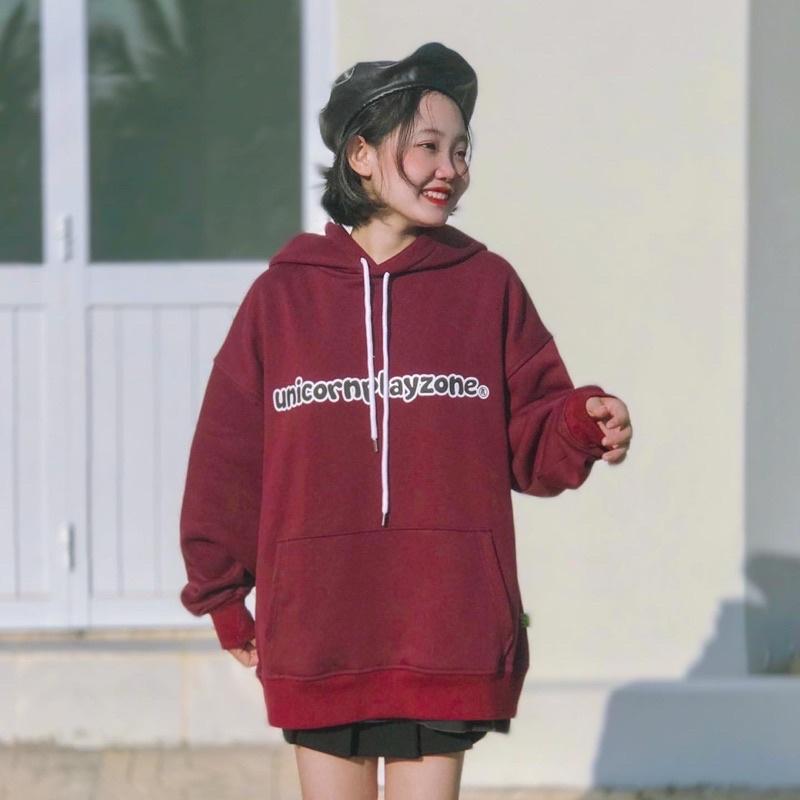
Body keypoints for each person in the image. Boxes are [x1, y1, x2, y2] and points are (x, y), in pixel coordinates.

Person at [178, 41, 632, 800]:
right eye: (427, 146)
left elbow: (531, 433)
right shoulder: (281, 300)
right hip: (322, 629)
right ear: (360, 155)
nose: (450, 168)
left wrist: (580, 424)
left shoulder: (486, 286)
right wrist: (221, 595)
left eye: (461, 150)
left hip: (446, 623)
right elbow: (228, 457)